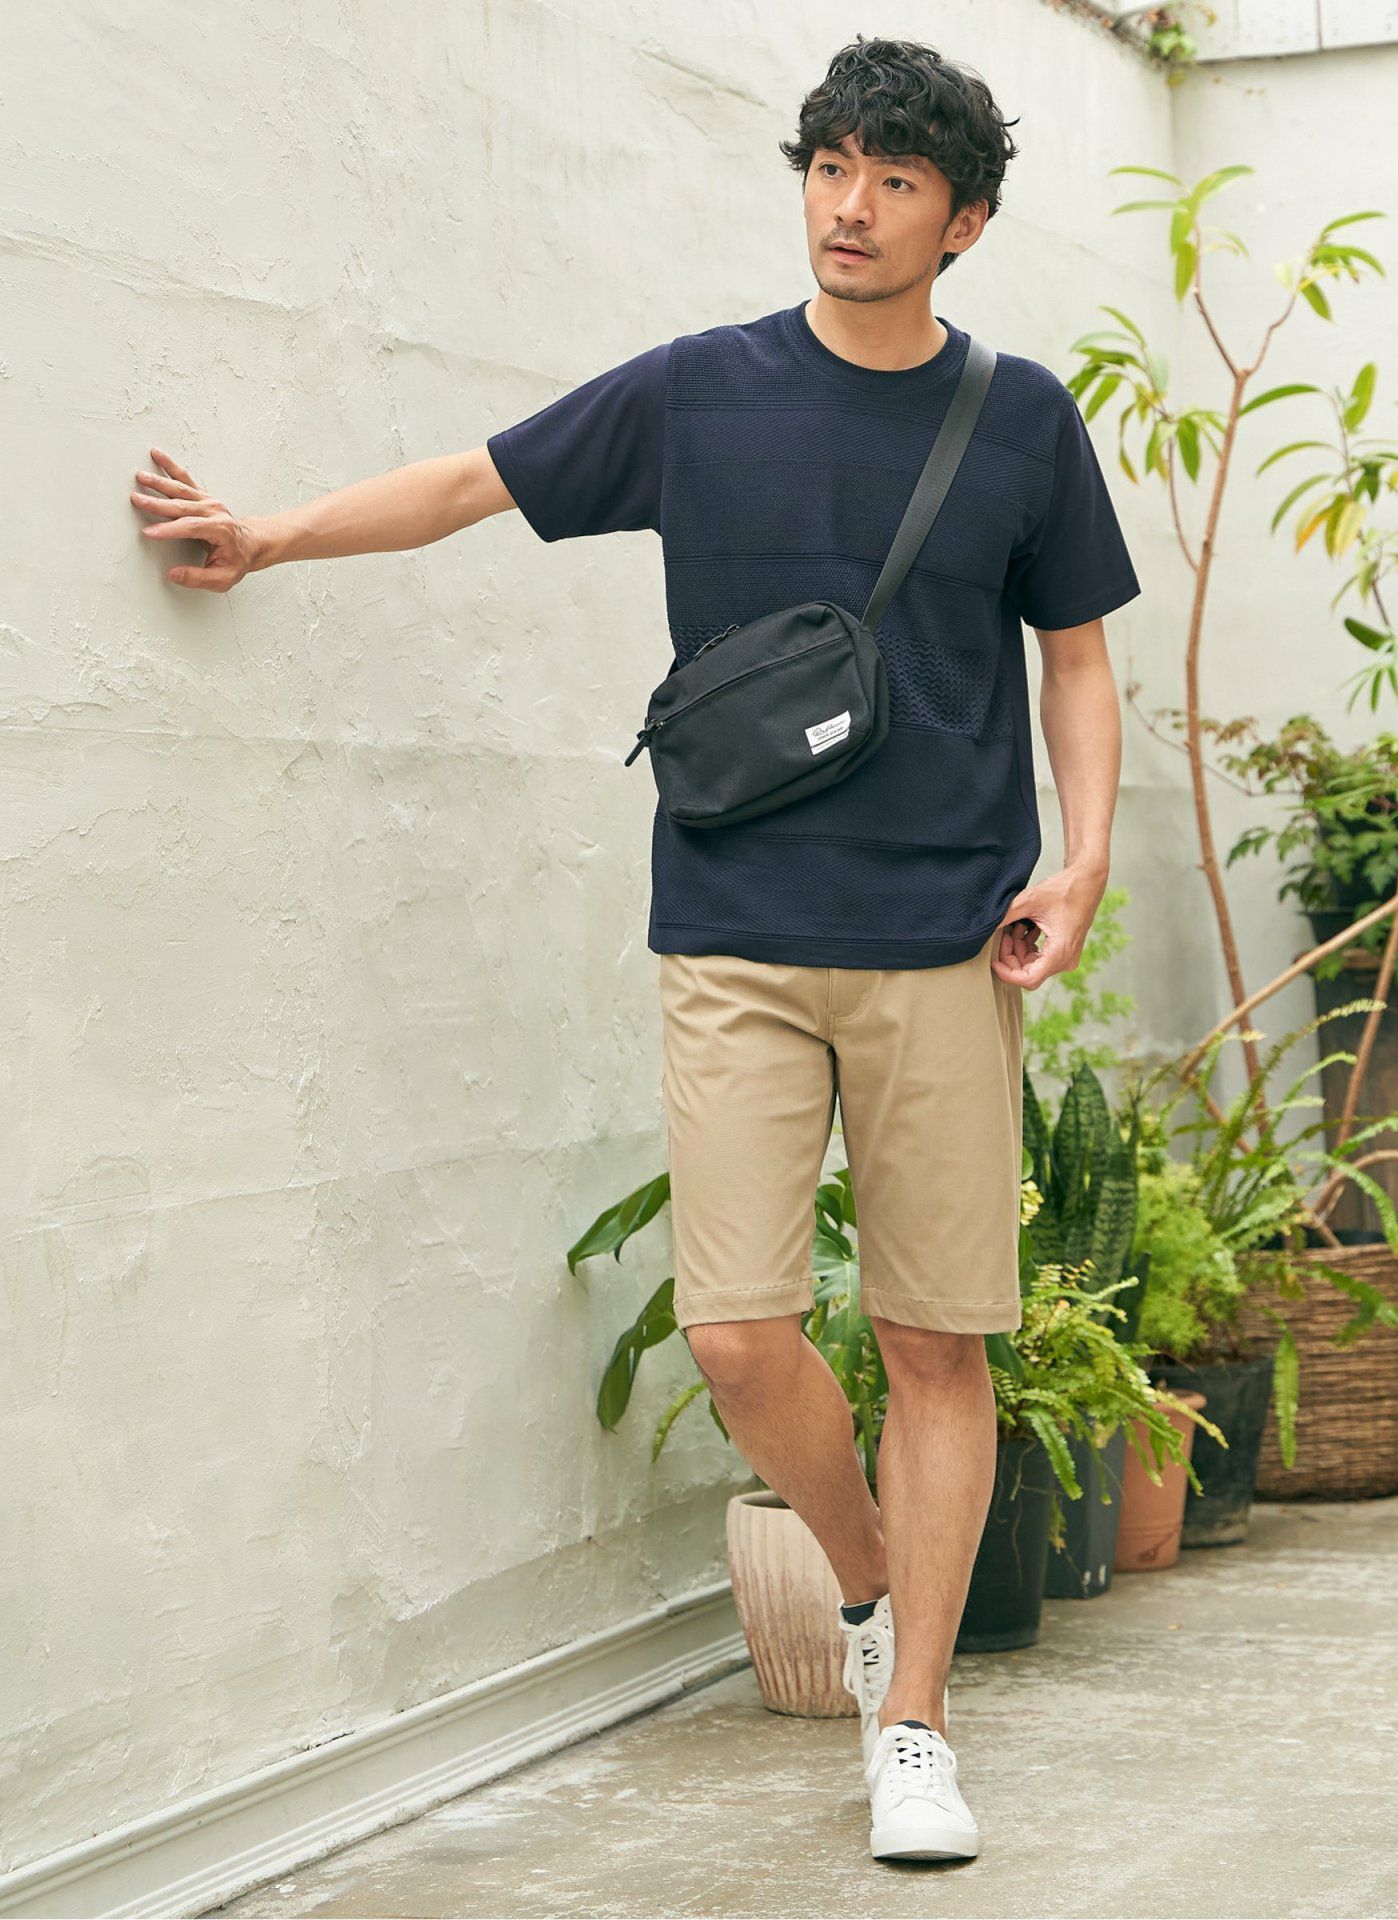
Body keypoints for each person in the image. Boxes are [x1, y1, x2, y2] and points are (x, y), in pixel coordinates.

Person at [128, 34, 1139, 1866]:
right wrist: (268, 535)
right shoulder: (701, 391)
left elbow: (1075, 654)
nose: (851, 205)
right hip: (734, 925)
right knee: (741, 1334)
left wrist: (1081, 863)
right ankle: (867, 1589)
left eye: (896, 180)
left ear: (965, 222)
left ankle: (915, 1721)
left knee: (934, 1340)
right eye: (830, 166)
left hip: (944, 936)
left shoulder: (1022, 421)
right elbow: (474, 483)